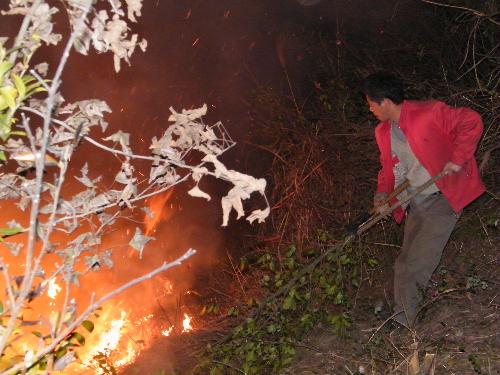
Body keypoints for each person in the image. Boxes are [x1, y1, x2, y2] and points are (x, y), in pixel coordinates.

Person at [361, 72, 485, 327]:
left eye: (371, 103)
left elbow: (471, 121)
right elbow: (388, 167)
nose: (369, 108)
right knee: (404, 263)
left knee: (416, 265)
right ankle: (403, 313)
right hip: (416, 202)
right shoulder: (383, 131)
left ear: (384, 101)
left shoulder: (428, 113)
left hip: (442, 199)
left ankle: (404, 325)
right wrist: (383, 195)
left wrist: (457, 158)